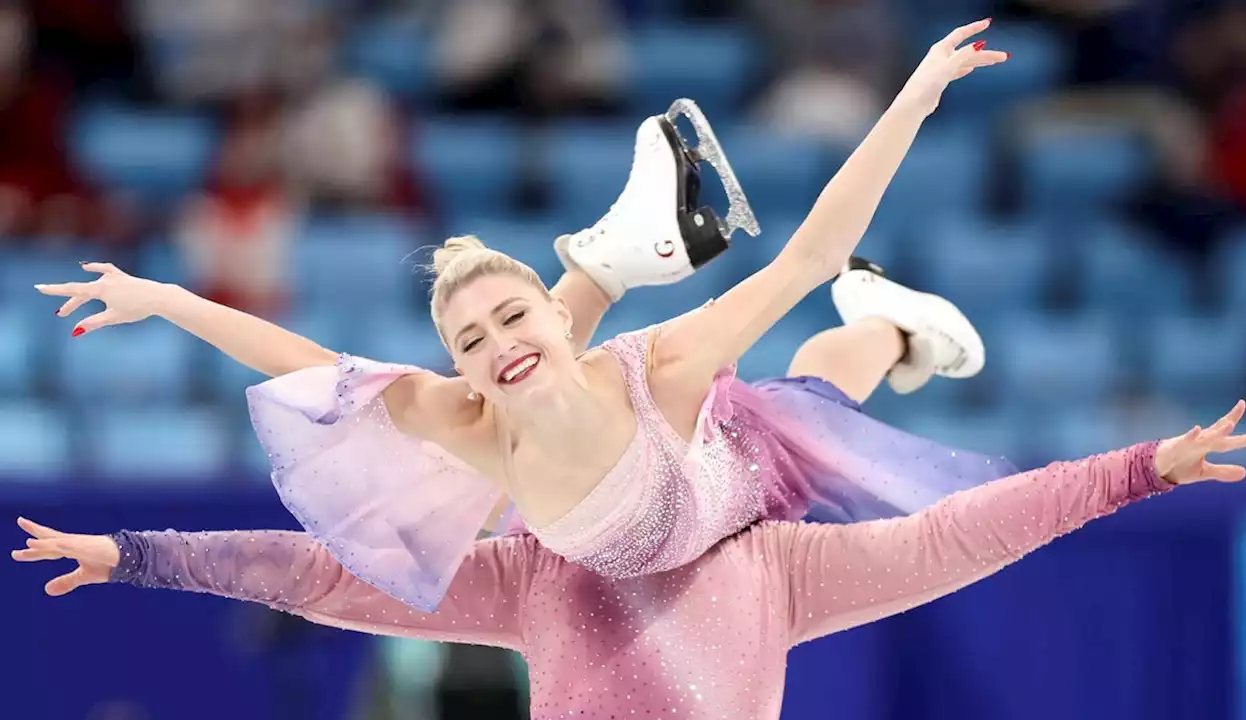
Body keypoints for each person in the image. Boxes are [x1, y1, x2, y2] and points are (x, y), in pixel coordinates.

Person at [35, 21, 1013, 614]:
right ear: (454, 365)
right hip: (621, 500)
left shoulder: (662, 366)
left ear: (546, 315)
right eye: (469, 340)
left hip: (733, 483)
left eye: (508, 318)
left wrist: (913, 97)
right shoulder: (461, 417)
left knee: (818, 387)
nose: (493, 346)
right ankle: (610, 255)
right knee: (541, 376)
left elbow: (805, 254)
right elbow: (298, 358)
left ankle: (886, 320)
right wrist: (166, 296)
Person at [12, 402, 1246, 719]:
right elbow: (316, 574)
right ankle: (875, 334)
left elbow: (960, 532)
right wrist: (135, 552)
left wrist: (1137, 468)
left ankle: (876, 334)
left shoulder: (777, 567)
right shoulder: (535, 575)